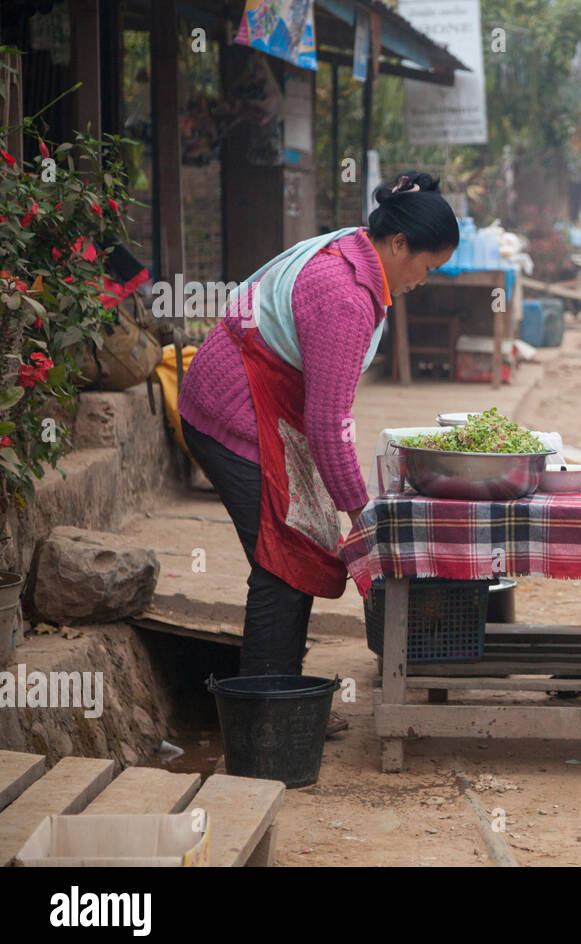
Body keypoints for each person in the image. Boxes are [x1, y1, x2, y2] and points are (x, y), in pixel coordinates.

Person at [178, 171, 459, 735]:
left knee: (299, 545)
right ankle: (267, 718)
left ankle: (282, 698)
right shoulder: (345, 297)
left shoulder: (354, 249)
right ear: (399, 245)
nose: (421, 282)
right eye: (426, 268)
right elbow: (330, 425)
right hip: (231, 415)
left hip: (259, 408)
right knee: (286, 560)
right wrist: (361, 515)